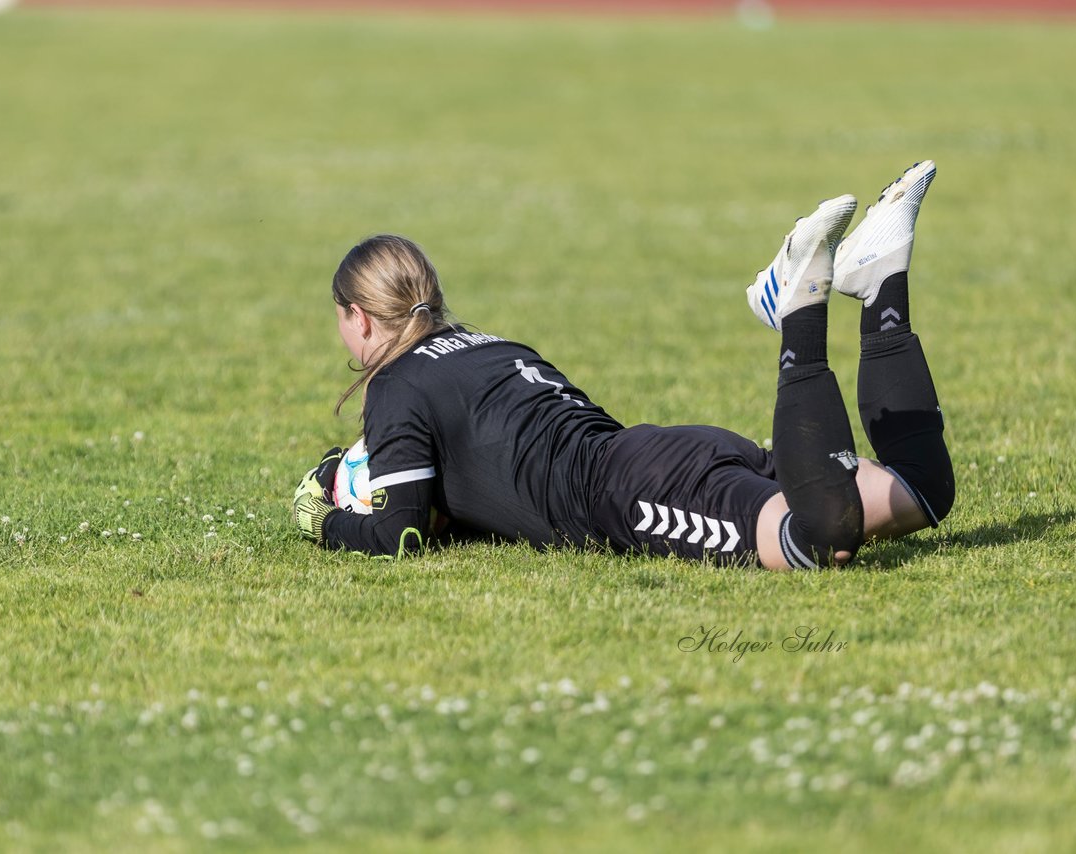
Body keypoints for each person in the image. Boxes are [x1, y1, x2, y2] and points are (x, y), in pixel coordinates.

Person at [292, 161, 954, 569]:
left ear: (360, 317)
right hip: (666, 452)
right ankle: (880, 281)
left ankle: (797, 306)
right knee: (920, 489)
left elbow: (399, 534)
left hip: (624, 496)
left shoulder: (398, 384)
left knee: (816, 539)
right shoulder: (492, 345)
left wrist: (324, 515)